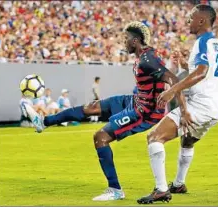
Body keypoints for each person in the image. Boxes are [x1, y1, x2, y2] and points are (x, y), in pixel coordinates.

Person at [22, 21, 188, 201]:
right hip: (134, 101)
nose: (123, 42)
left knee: (100, 137)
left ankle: (115, 189)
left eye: (126, 39)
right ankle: (43, 122)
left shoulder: (148, 60)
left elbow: (172, 79)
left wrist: (183, 110)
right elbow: (164, 77)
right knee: (91, 107)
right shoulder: (145, 56)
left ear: (135, 40)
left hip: (144, 112)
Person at [137, 4, 218, 204]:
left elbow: (201, 73)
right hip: (214, 107)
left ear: (201, 20)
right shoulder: (215, 43)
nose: (188, 21)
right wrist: (186, 65)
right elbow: (205, 70)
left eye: (192, 17)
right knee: (188, 141)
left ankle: (160, 190)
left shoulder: (203, 42)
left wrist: (172, 90)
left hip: (200, 104)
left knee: (154, 137)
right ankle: (178, 183)